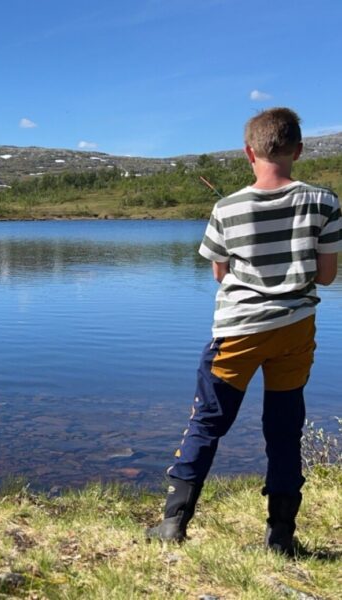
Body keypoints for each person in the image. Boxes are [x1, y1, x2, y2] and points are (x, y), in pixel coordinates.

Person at [146, 108, 341, 554]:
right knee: (285, 428)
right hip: (295, 330)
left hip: (237, 332)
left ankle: (174, 523)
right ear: (298, 150)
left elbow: (219, 273)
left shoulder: (226, 207)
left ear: (248, 152)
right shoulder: (325, 202)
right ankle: (281, 538)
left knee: (208, 422)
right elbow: (328, 277)